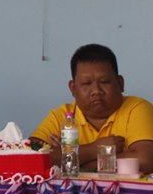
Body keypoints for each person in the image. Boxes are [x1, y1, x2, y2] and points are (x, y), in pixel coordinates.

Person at [30, 43, 153, 174]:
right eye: (86, 84)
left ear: (120, 83)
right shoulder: (61, 116)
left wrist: (71, 159)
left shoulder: (137, 107)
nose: (96, 91)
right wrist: (94, 149)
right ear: (73, 88)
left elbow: (146, 160)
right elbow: (30, 158)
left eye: (104, 81)